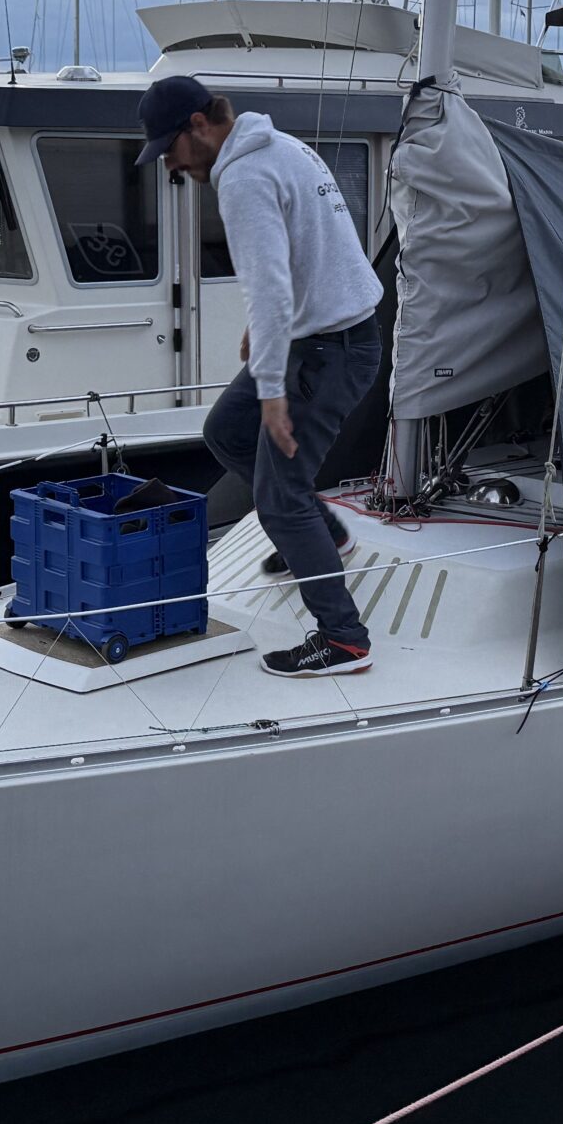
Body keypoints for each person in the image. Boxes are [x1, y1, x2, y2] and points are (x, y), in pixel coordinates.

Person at [138, 76, 384, 676]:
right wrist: (274, 337)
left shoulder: (245, 178)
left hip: (328, 352)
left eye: (169, 147)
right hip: (320, 336)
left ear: (199, 125)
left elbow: (270, 289)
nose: (168, 163)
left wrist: (272, 392)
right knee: (225, 430)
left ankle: (343, 639)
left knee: (279, 499)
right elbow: (318, 245)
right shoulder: (282, 147)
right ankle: (328, 533)